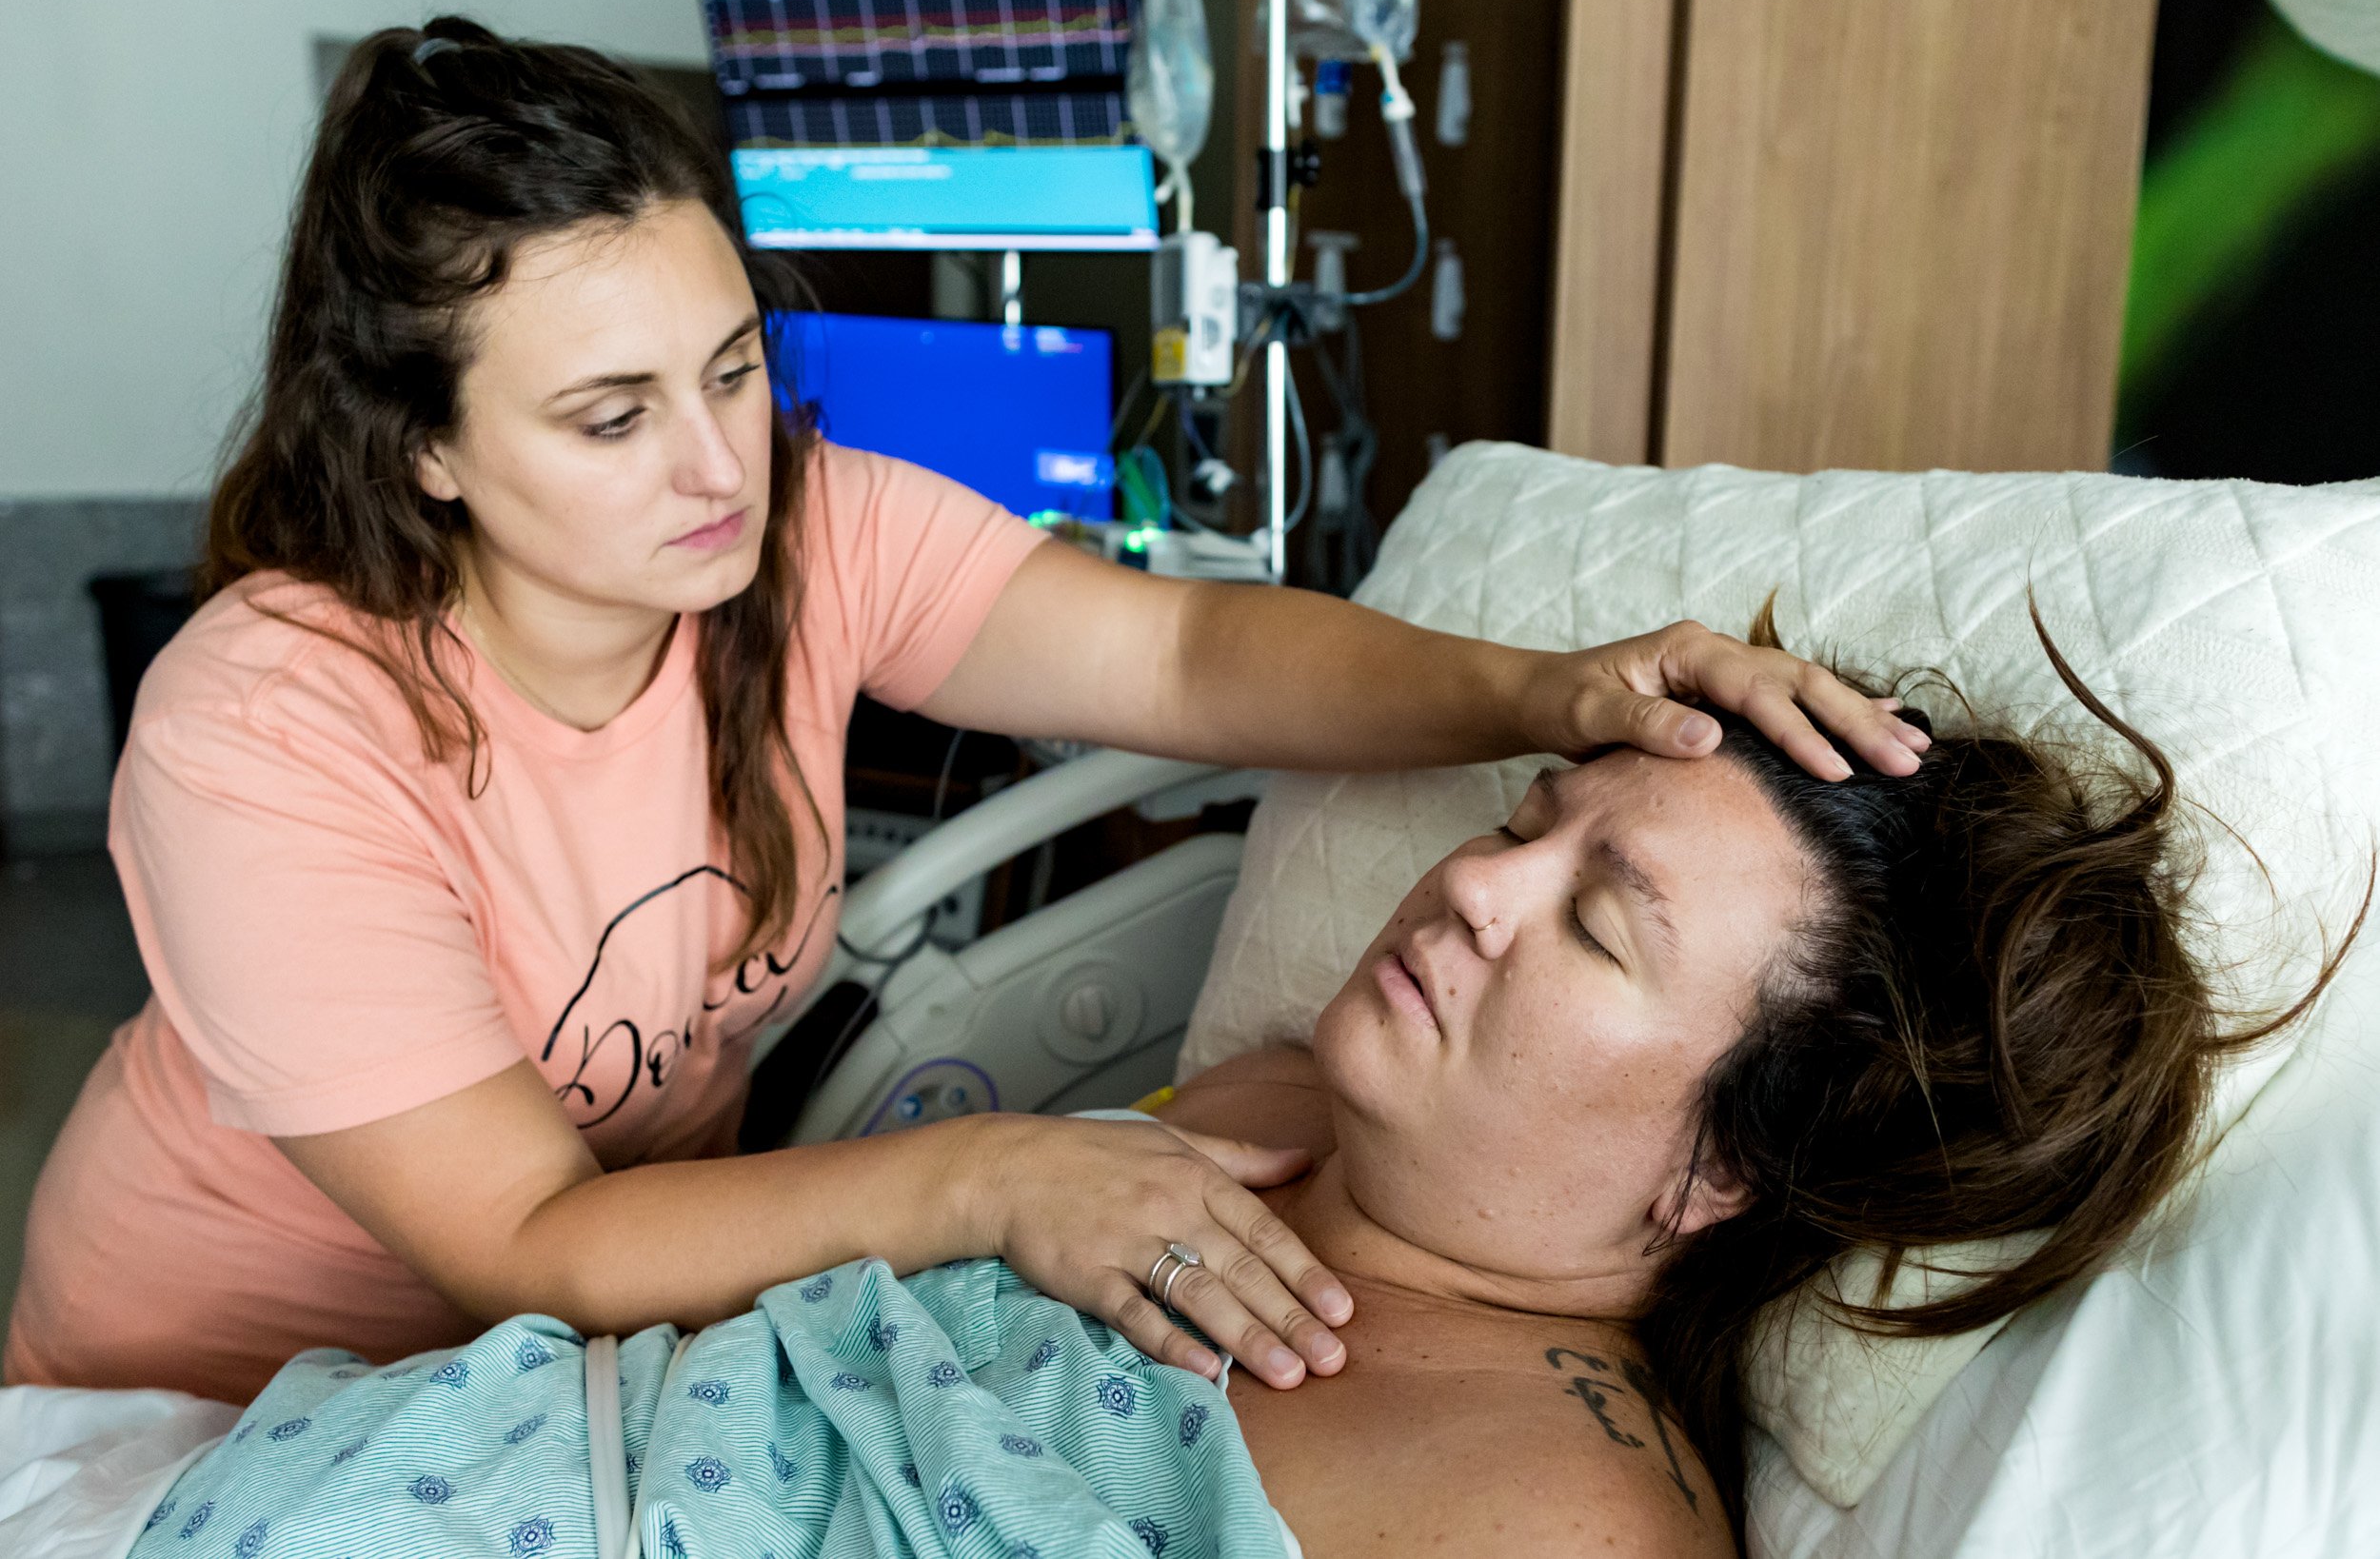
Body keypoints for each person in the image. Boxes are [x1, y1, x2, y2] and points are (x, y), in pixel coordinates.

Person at [3, 19, 1928, 1408]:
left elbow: (1181, 666)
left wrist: (1548, 688)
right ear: (422, 450)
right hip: (223, 1372)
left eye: (734, 367)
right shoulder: (269, 731)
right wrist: (994, 1177)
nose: (713, 468)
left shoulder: (801, 532)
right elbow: (522, 1238)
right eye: (610, 416)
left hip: (594, 1358)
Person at [123, 628, 2350, 1558]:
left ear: (1722, 1166)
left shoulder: (1554, 1519)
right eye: (1527, 828)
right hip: (386, 1460)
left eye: (1592, 927)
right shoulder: (1302, 1109)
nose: (1478, 893)